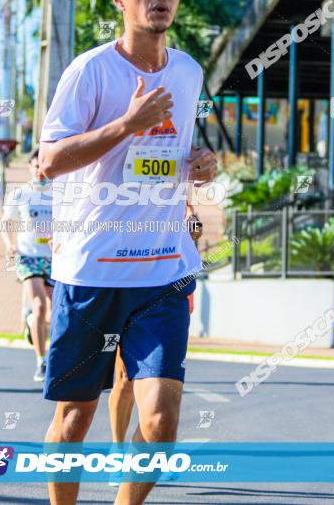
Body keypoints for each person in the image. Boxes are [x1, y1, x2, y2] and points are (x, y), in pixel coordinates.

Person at [37, 0, 218, 504]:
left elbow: (176, 153)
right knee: (73, 422)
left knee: (161, 422)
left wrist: (203, 164)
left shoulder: (188, 72)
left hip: (163, 272)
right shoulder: (90, 71)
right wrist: (126, 122)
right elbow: (47, 161)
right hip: (92, 271)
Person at [107, 204, 203, 486]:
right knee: (124, 378)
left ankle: (160, 454)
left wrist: (194, 230)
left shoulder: (182, 202)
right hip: (131, 291)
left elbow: (191, 238)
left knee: (168, 381)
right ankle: (117, 451)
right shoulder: (130, 201)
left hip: (173, 294)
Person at [0, 148, 54, 382]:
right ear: (30, 168)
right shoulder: (20, 194)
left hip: (54, 258)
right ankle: (41, 362)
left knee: (55, 313)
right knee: (40, 305)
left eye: (44, 166)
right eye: (35, 166)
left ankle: (31, 322)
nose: (39, 171)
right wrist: (9, 245)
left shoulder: (60, 195)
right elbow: (5, 223)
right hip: (28, 256)